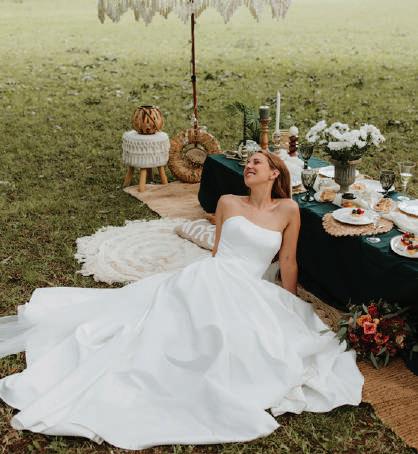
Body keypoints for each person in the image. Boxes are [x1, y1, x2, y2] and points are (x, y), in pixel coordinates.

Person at [0, 151, 364, 451]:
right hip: (213, 275)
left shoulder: (288, 210)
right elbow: (219, 251)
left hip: (252, 286)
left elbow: (288, 261)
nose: (249, 167)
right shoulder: (227, 202)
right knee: (172, 331)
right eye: (247, 163)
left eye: (257, 162)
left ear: (274, 173)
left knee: (259, 345)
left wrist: (289, 304)